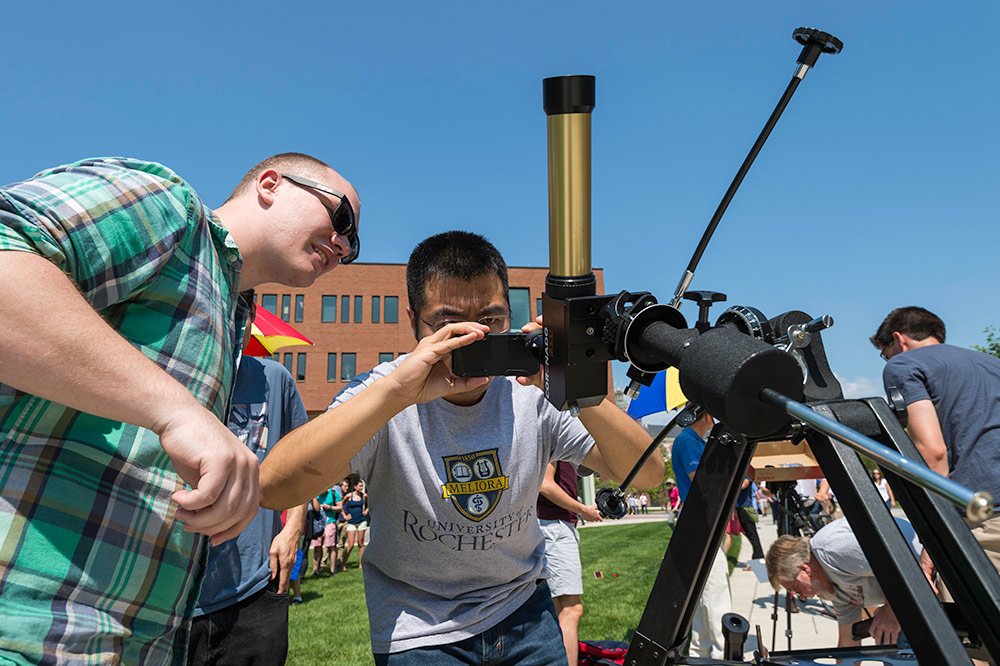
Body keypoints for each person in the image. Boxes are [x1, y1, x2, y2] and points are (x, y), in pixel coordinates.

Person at [0, 153, 360, 664]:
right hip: (29, 630)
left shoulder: (232, 314)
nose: (345, 246)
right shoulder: (172, 209)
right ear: (271, 183)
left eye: (354, 245)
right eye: (342, 219)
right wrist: (176, 411)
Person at [260, 230, 662, 665]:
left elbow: (647, 473)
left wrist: (575, 389)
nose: (476, 340)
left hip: (523, 607)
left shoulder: (532, 392)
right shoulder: (384, 391)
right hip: (418, 625)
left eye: (492, 321)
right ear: (414, 320)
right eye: (451, 324)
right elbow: (274, 489)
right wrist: (397, 394)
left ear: (511, 312)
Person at [188, 292, 310, 666]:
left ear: (251, 313)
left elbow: (303, 463)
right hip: (176, 590)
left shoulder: (275, 379)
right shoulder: (170, 375)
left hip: (257, 584)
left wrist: (291, 533)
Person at [871, 306, 1000, 586]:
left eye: (884, 353)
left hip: (984, 516)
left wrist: (934, 542)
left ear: (899, 339)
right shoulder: (991, 363)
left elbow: (933, 452)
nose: (887, 360)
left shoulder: (903, 365)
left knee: (974, 622)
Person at [766, 517, 922, 647]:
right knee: (886, 636)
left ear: (805, 570)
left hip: (931, 568)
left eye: (796, 589)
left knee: (893, 636)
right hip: (912, 586)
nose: (803, 598)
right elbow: (848, 643)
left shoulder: (833, 550)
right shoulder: (829, 587)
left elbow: (900, 562)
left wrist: (890, 610)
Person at [671, 410, 732, 659]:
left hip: (697, 519)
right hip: (698, 519)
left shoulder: (694, 441)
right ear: (705, 414)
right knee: (716, 588)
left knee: (703, 591)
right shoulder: (687, 440)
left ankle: (702, 651)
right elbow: (701, 481)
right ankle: (722, 652)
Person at [537, 461, 603, 666]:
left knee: (556, 608)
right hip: (554, 525)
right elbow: (545, 484)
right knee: (570, 609)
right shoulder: (553, 430)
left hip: (553, 524)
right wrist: (582, 509)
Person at [312, 485, 343, 575]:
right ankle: (315, 570)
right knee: (317, 546)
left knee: (330, 546)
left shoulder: (334, 493)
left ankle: (332, 570)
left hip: (330, 522)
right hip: (318, 524)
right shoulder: (315, 495)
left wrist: (329, 507)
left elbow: (340, 508)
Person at [341, 477, 369, 570]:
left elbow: (370, 504)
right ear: (355, 487)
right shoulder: (349, 496)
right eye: (360, 486)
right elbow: (341, 505)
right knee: (350, 545)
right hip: (351, 522)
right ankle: (343, 564)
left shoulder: (364, 496)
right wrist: (345, 516)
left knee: (361, 544)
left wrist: (366, 510)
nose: (361, 488)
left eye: (362, 486)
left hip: (361, 521)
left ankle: (361, 564)